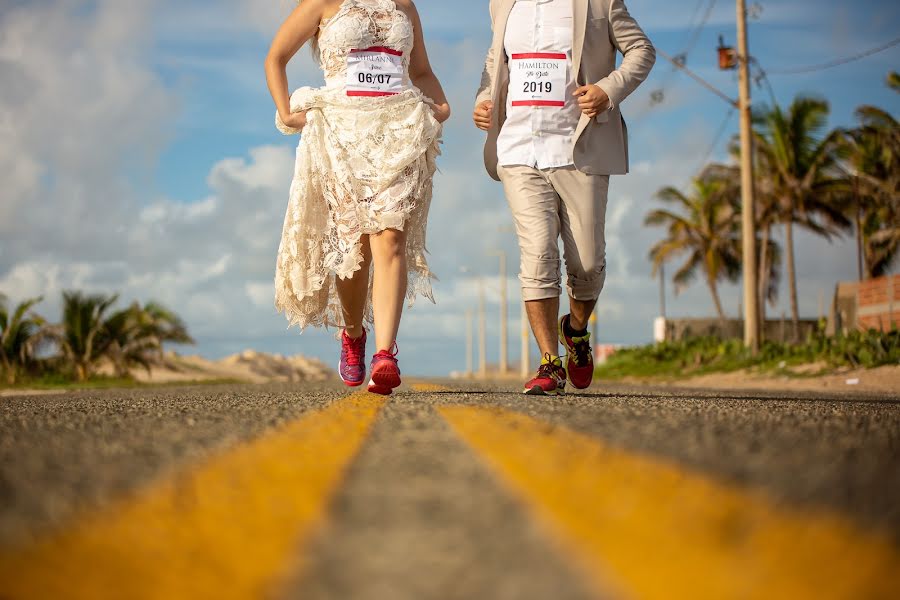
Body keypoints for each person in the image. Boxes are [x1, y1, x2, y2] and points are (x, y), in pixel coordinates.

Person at [266, 0, 450, 395]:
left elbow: (421, 72)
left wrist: (442, 104)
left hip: (398, 131)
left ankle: (385, 353)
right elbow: (276, 58)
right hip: (340, 135)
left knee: (390, 236)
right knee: (353, 248)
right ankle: (353, 332)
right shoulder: (321, 3)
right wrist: (285, 111)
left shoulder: (404, 5)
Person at [473, 0, 654, 395]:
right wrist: (484, 99)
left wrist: (608, 90)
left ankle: (575, 330)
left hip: (579, 149)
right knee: (537, 253)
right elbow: (495, 61)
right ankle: (549, 362)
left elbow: (642, 49)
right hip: (519, 149)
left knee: (587, 264)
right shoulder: (502, 5)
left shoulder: (600, 3)